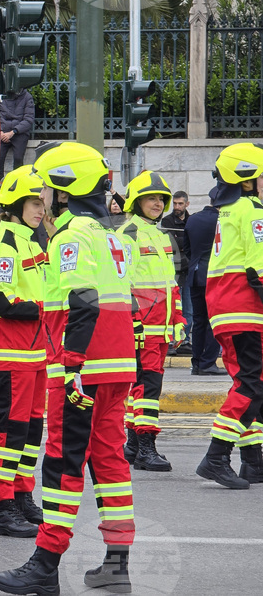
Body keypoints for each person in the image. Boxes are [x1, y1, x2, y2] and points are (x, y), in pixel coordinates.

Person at [0, 141, 137, 596]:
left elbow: (82, 302)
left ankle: (45, 564)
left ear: (66, 190)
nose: (45, 198)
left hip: (83, 369)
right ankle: (116, 563)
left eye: (48, 189)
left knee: (62, 464)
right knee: (109, 460)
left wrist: (71, 367)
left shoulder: (72, 237)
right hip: (116, 367)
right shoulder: (111, 236)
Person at [0, 166, 47, 538]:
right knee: (9, 432)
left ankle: (22, 494)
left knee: (31, 431)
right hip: (14, 354)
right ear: (14, 204)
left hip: (36, 354)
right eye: (33, 202)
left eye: (42, 202)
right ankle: (1, 506)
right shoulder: (4, 243)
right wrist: (43, 308)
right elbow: (1, 300)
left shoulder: (32, 241)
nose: (40, 209)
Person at [196, 142, 263, 489]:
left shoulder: (231, 208)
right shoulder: (253, 211)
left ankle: (253, 461)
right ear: (249, 180)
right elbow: (259, 267)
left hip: (228, 307)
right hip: (244, 308)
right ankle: (216, 455)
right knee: (252, 385)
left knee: (251, 384)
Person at [118, 171, 184, 472]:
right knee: (147, 388)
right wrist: (133, 320)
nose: (158, 203)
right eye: (151, 198)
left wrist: (178, 319)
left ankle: (133, 445)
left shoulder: (160, 234)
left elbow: (170, 283)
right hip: (142, 326)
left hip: (160, 326)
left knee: (144, 387)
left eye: (161, 198)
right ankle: (146, 447)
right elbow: (122, 284)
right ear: (136, 201)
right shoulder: (127, 234)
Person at [182, 192, 224, 375]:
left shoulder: (193, 219)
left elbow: (188, 249)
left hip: (195, 275)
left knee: (199, 321)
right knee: (214, 321)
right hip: (214, 276)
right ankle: (208, 363)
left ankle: (197, 362)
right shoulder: (222, 220)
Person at [161, 190, 192, 354]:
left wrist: (182, 242)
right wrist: (183, 242)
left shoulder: (191, 220)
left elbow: (190, 243)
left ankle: (185, 340)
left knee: (188, 308)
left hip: (187, 270)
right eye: (175, 203)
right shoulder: (167, 220)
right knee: (173, 306)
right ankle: (173, 340)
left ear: (187, 204)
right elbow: (171, 243)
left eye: (180, 203)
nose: (177, 207)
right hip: (173, 270)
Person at [0, 90, 35, 191]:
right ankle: (0, 191)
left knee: (18, 159)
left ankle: (16, 190)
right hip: (2, 133)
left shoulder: (27, 97)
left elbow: (28, 119)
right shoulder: (1, 95)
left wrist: (13, 132)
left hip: (19, 133)